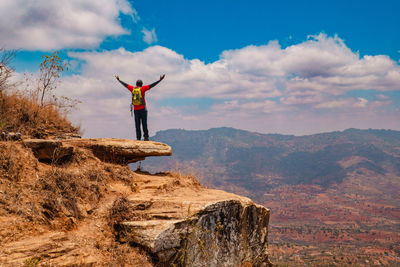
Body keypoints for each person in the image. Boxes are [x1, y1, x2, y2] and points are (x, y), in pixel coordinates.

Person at [115, 74, 165, 141]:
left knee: (137, 125)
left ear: (136, 84)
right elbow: (152, 85)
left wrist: (119, 80)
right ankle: (146, 137)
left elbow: (125, 85)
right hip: (143, 109)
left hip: (136, 110)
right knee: (144, 124)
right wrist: (160, 80)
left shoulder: (132, 89)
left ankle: (138, 138)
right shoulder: (143, 88)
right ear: (141, 84)